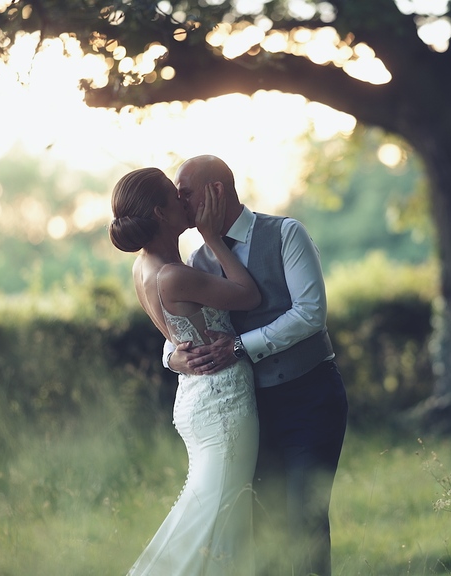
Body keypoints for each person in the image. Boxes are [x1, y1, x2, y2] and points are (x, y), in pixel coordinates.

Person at [163, 155, 348, 576]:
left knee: (305, 519)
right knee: (262, 523)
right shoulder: (198, 261)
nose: (180, 201)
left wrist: (241, 347)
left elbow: (310, 313)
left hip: (310, 399)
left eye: (186, 192)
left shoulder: (285, 233)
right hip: (251, 411)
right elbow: (181, 327)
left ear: (216, 191)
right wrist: (172, 358)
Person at [109, 167, 262, 575]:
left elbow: (180, 332)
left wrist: (170, 356)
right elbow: (248, 296)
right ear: (160, 213)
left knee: (213, 520)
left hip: (198, 397)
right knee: (217, 524)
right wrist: (212, 237)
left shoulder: (144, 267)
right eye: (177, 198)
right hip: (223, 404)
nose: (186, 202)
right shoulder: (173, 274)